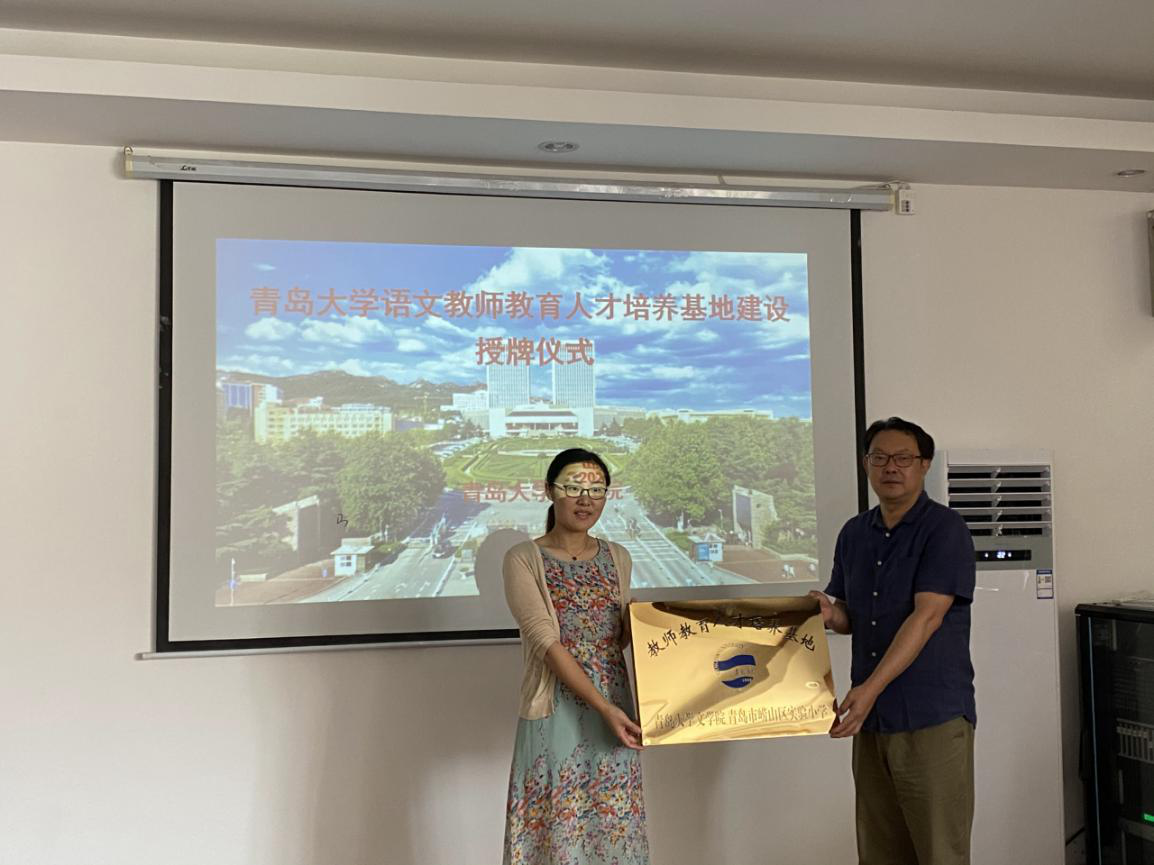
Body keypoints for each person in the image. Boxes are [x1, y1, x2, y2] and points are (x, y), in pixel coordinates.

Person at [809, 417, 976, 865]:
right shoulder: (854, 533)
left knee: (940, 852)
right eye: (879, 457)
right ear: (866, 464)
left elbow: (928, 617)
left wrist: (868, 691)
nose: (890, 467)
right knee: (879, 851)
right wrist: (828, 613)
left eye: (903, 458)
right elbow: (849, 617)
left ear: (924, 465)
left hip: (930, 716)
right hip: (871, 719)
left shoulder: (945, 530)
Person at [502, 447, 649, 865]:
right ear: (550, 490)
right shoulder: (523, 558)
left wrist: (648, 623)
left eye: (596, 489)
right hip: (556, 711)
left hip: (615, 710)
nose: (585, 499)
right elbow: (547, 644)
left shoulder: (618, 556)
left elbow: (615, 639)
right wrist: (603, 707)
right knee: (557, 828)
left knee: (613, 824)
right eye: (573, 487)